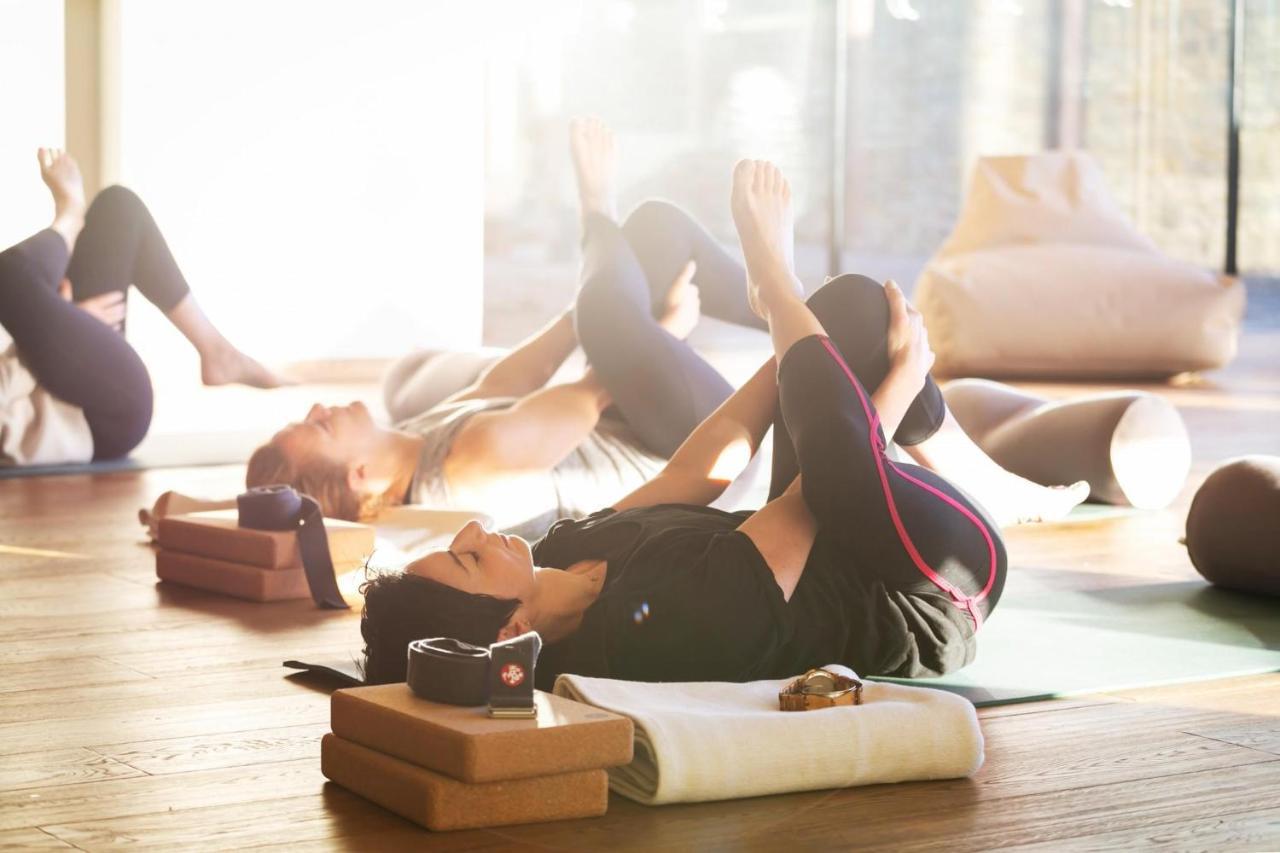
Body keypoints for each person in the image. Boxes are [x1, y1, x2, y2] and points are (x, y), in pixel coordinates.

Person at [358, 159, 1092, 687]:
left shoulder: (565, 548)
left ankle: (950, 450)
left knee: (849, 310)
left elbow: (694, 473)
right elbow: (817, 497)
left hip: (847, 514)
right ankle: (778, 277)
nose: (472, 534)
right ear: (511, 629)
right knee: (838, 449)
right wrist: (855, 360)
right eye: (467, 560)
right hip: (927, 593)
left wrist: (790, 346)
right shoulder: (657, 633)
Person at [247, 118, 773, 534]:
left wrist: (594, 300)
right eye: (319, 426)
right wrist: (665, 327)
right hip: (694, 452)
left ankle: (794, 313)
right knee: (609, 302)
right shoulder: (470, 472)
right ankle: (785, 308)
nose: (318, 408)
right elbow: (593, 390)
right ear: (361, 476)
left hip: (638, 415)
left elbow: (504, 383)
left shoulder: (408, 446)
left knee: (653, 229)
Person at [0, 148, 287, 465]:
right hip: (94, 417)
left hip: (59, 374)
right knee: (10, 277)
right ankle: (70, 215)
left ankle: (217, 352)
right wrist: (61, 330)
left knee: (119, 208)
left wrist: (64, 325)